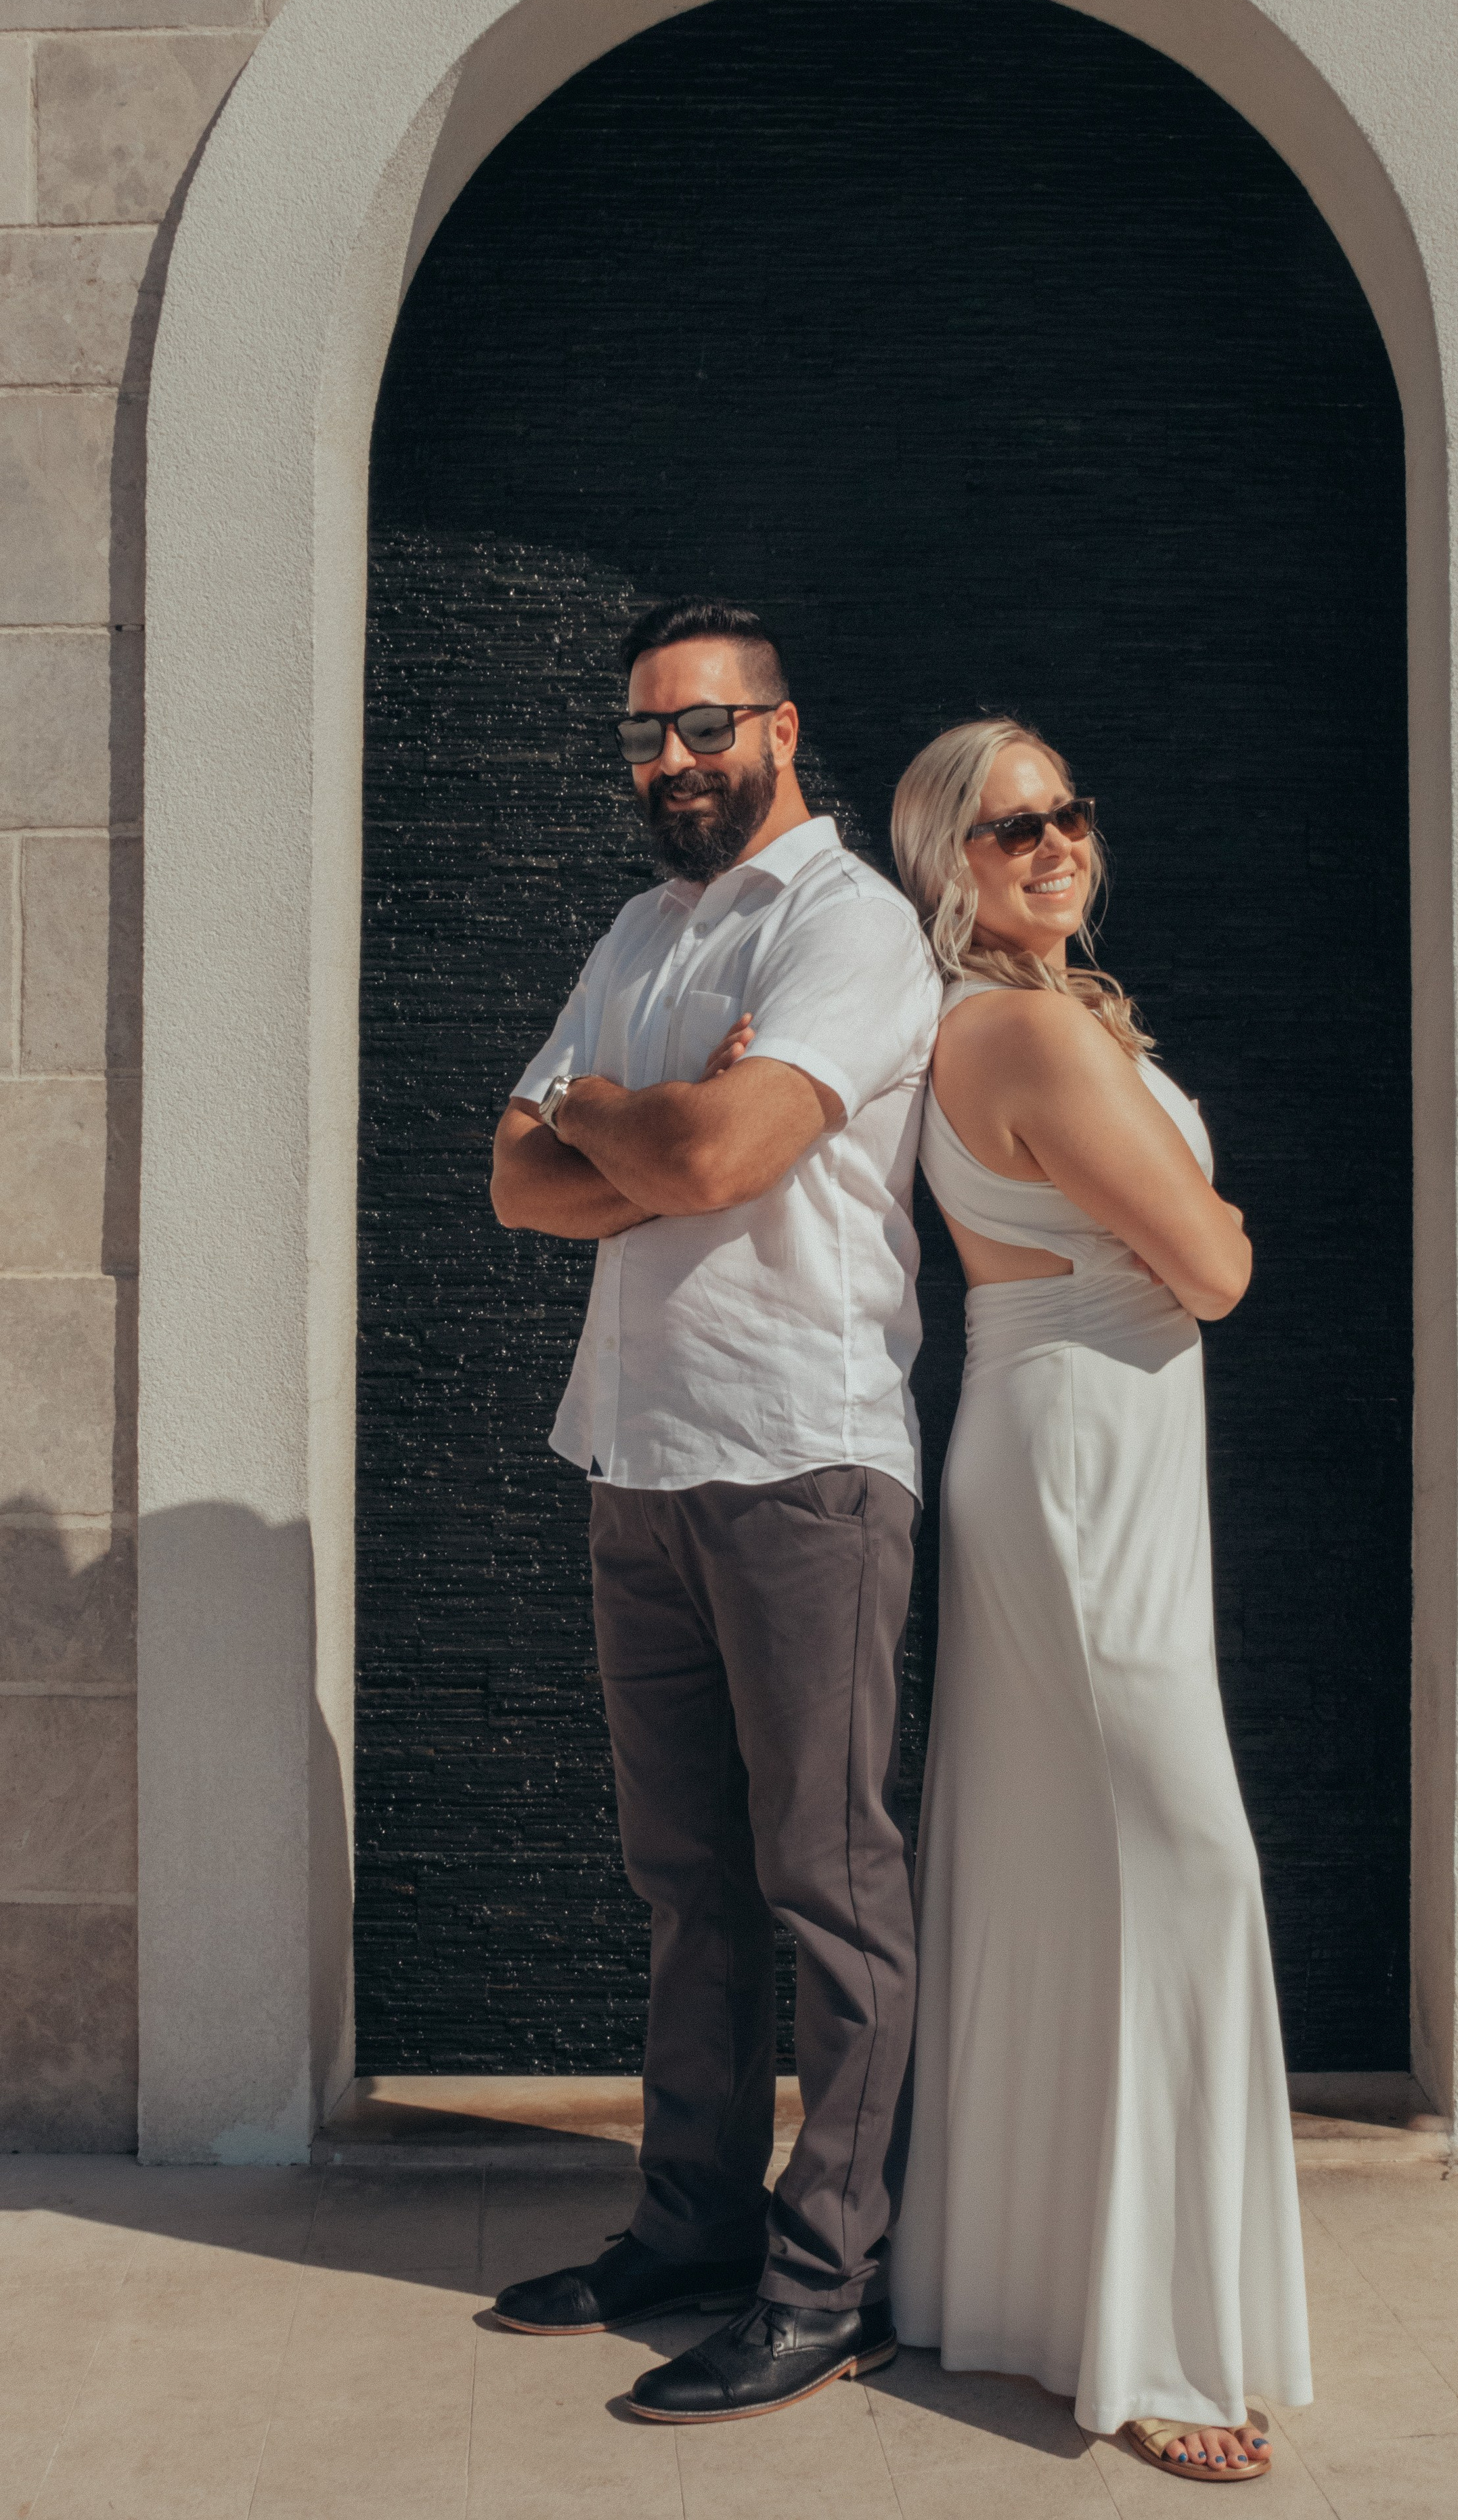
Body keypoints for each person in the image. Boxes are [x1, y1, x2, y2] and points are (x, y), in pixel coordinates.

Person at [487, 600, 942, 2424]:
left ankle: (827, 2285)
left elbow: (720, 1159)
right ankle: (689, 2229)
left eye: (703, 730)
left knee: (825, 1891)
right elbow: (525, 1186)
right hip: (640, 1455)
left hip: (800, 1459)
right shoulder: (636, 929)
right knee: (684, 1893)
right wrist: (638, 1118)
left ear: (779, 728)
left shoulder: (850, 927)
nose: (671, 764)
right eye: (644, 740)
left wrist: (617, 1115)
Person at [885, 717, 1312, 2479]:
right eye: (1008, 830)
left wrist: (1187, 1232)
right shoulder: (1029, 1034)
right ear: (947, 870)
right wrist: (1211, 1228)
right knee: (1184, 1858)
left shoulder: (1027, 1019)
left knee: (1057, 1865)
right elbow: (1212, 1268)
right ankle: (1151, 2344)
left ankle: (1015, 2289)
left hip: (1069, 1442)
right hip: (1078, 1455)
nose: (1055, 844)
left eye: (1066, 814)